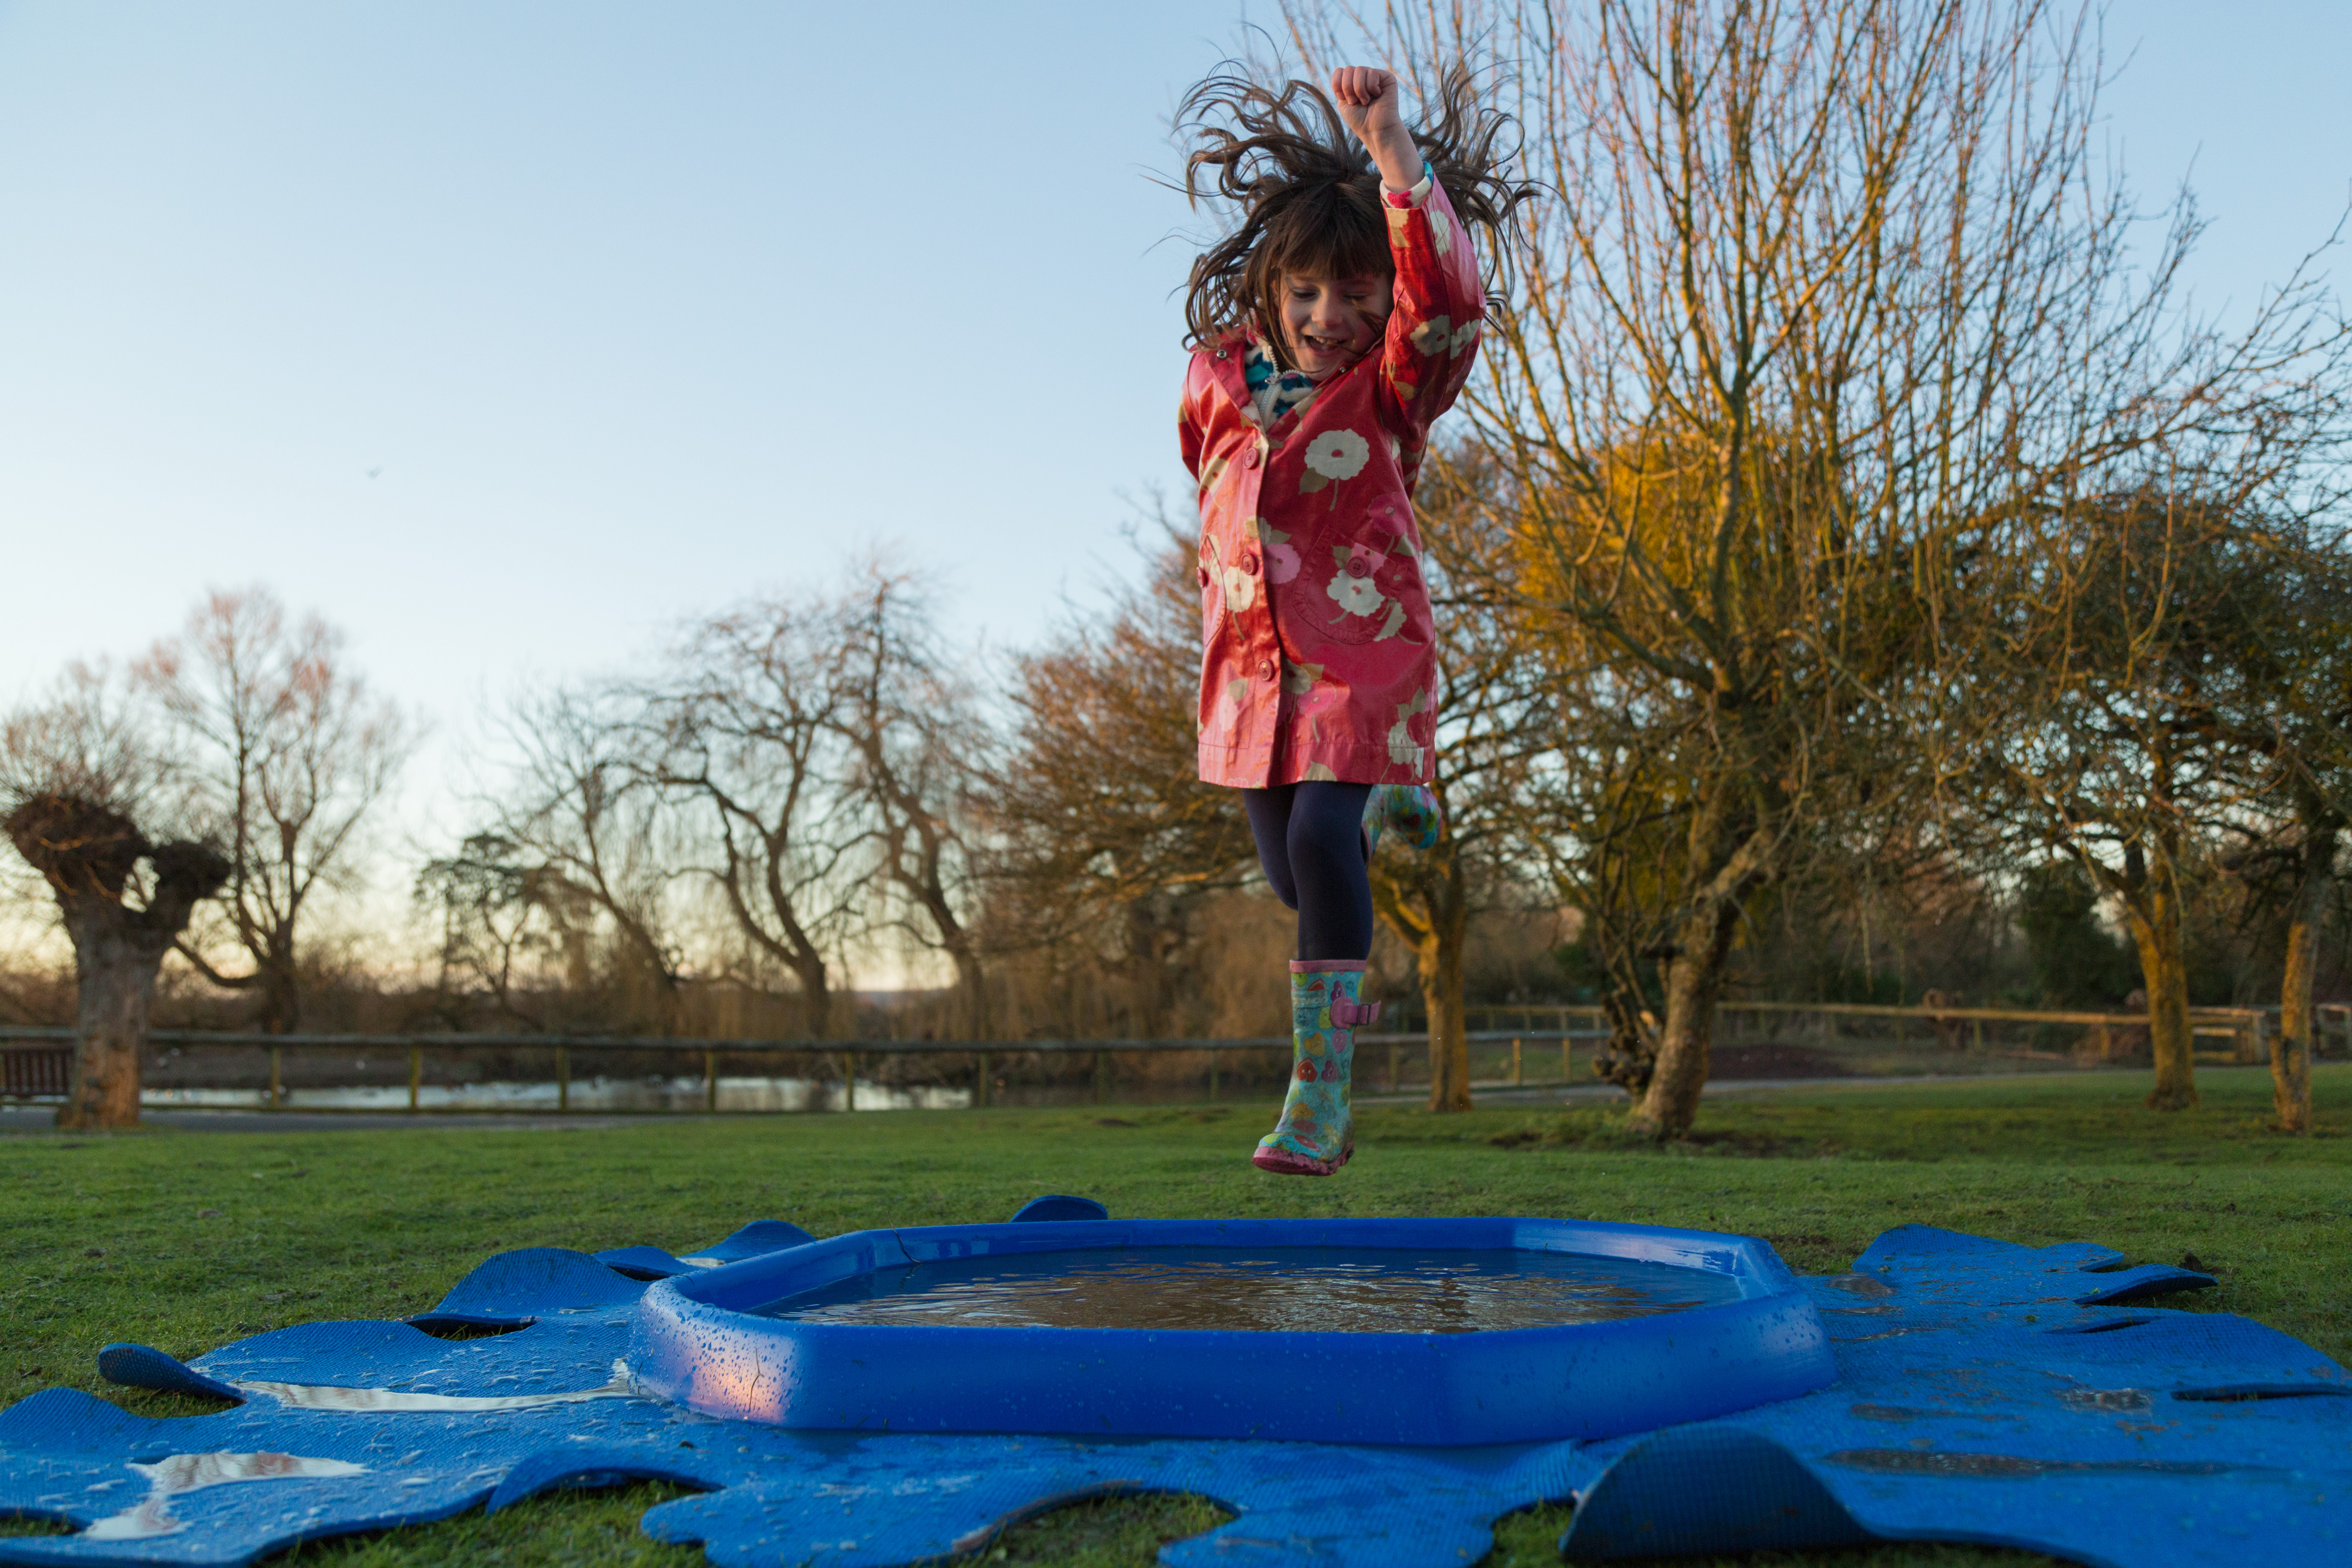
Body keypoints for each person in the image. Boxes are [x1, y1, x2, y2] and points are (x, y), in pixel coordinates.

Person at [1177, 64, 1527, 1175]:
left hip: (1360, 650)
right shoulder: (1212, 383)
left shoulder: (1389, 388)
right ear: (1274, 291)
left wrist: (1387, 152)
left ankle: (1318, 1100)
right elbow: (1211, 492)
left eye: (1359, 298)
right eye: (1311, 296)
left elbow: (1450, 307)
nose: (1333, 319)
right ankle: (1388, 804)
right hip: (1248, 679)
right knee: (1294, 879)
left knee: (1323, 843)